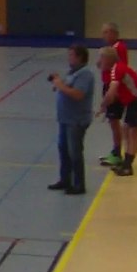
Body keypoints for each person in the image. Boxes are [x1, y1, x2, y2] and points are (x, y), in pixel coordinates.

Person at [47, 45, 95, 195]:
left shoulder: (85, 74)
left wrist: (61, 86)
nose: (69, 58)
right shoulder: (72, 72)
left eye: (71, 56)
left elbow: (78, 94)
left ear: (80, 57)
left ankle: (79, 184)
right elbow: (67, 88)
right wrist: (59, 83)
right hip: (65, 119)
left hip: (76, 120)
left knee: (74, 152)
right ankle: (65, 179)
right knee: (64, 150)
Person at [95, 46, 137, 178]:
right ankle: (126, 161)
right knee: (126, 129)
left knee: (132, 131)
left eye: (102, 58)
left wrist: (102, 106)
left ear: (108, 59)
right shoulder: (115, 68)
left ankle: (128, 166)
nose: (99, 61)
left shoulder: (117, 69)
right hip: (132, 102)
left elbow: (112, 92)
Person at [99, 22, 130, 168]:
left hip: (114, 87)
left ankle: (117, 153)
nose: (103, 35)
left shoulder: (118, 48)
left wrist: (115, 92)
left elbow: (120, 69)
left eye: (106, 32)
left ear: (113, 33)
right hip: (108, 85)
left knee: (114, 121)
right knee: (112, 121)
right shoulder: (111, 49)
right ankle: (115, 150)